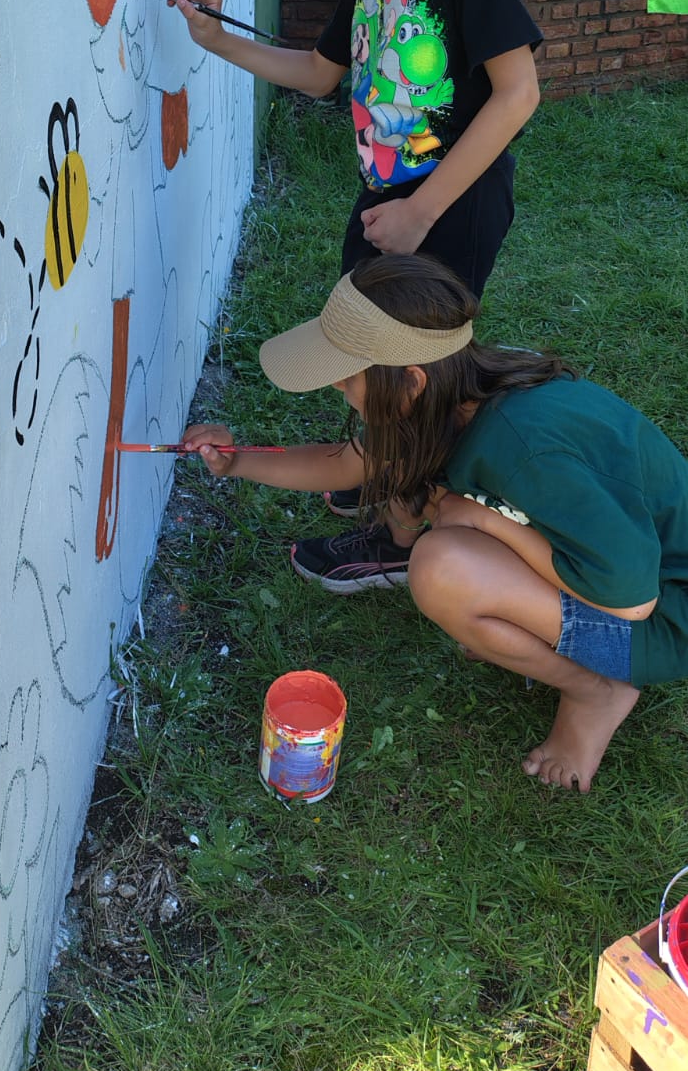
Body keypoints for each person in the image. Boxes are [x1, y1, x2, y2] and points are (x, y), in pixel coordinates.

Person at [173, 0, 542, 569]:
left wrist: (422, 212)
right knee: (367, 360)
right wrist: (215, 39)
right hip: (387, 206)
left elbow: (517, 92)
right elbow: (317, 72)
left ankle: (398, 535)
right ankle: (381, 477)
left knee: (407, 378)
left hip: (447, 210)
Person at [182, 252, 688, 794]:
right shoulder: (456, 394)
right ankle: (533, 631)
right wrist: (236, 462)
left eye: (347, 379)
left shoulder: (524, 448)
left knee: (441, 567)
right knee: (443, 518)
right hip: (621, 568)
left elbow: (629, 599)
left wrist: (488, 523)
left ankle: (595, 691)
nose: (337, 389)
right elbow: (350, 463)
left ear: (411, 381)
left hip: (662, 617)